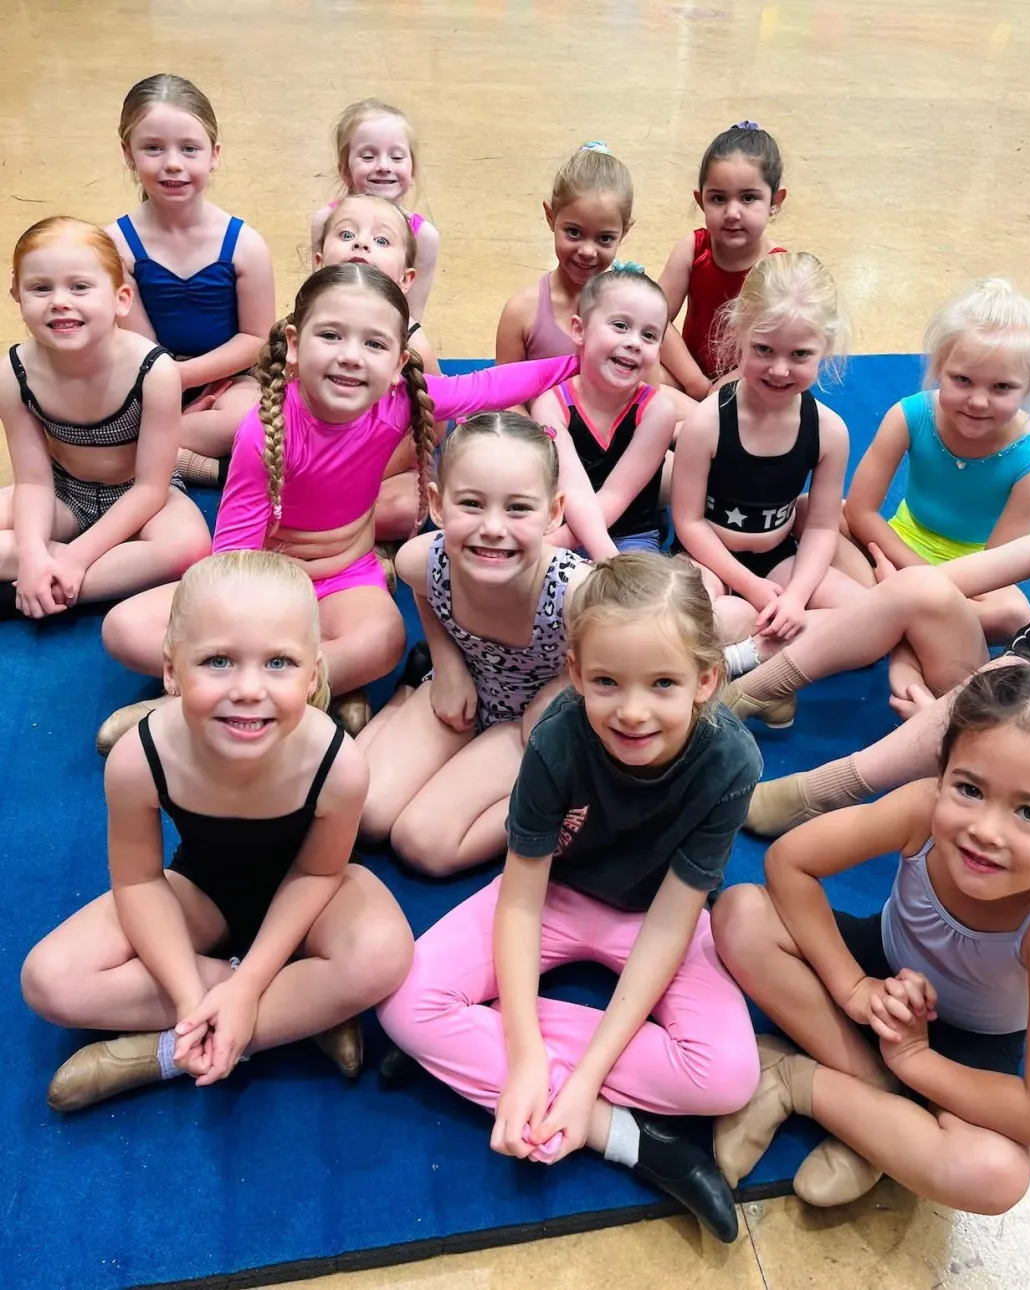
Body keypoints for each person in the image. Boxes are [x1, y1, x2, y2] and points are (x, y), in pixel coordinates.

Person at [377, 553, 763, 1243]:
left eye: (663, 684)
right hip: (555, 896)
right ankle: (625, 1137)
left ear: (706, 680)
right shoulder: (558, 737)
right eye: (607, 682)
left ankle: (496, 1058)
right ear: (577, 673)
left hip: (655, 915)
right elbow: (521, 897)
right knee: (403, 1003)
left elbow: (674, 921)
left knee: (729, 1075)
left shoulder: (732, 761)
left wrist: (582, 1080)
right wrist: (524, 1056)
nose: (633, 710)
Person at [96, 264, 579, 749]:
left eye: (374, 344)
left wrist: (580, 359)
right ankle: (312, 691)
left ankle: (228, 695)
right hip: (264, 580)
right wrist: (239, 625)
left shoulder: (401, 400)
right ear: (295, 343)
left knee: (385, 640)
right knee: (124, 628)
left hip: (345, 578)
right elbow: (232, 554)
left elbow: (491, 386)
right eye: (330, 335)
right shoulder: (265, 433)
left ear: (396, 363)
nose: (351, 357)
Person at [711, 664, 1030, 1215]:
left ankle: (796, 1079)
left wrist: (918, 1060)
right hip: (881, 972)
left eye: (1029, 812)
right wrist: (853, 987)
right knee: (739, 914)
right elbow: (790, 862)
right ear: (942, 774)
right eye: (969, 789)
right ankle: (878, 1110)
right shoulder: (921, 808)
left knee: (994, 1175)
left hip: (972, 1042)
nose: (986, 831)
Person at [20, 551, 413, 1112]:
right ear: (170, 669)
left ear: (314, 674)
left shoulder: (337, 763)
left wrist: (250, 986)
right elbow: (139, 884)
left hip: (311, 896)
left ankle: (161, 1055)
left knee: (383, 954)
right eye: (218, 661)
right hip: (200, 890)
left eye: (278, 662)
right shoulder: (139, 757)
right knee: (50, 979)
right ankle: (296, 1016)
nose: (248, 689)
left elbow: (318, 871)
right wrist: (190, 993)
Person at [742, 413, 1030, 836]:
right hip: (994, 690)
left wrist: (962, 734)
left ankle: (821, 791)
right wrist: (908, 664)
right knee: (922, 588)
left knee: (1001, 679)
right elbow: (914, 593)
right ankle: (752, 692)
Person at [356, 412, 589, 875]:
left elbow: (620, 655)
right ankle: (406, 698)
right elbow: (422, 592)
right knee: (365, 815)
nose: (493, 528)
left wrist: (563, 689)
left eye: (519, 508)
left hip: (531, 720)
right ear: (439, 506)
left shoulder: (575, 592)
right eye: (472, 504)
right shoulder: (423, 560)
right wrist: (448, 666)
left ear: (554, 512)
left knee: (422, 843)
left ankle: (575, 806)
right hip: (463, 688)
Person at [843, 279, 1030, 700]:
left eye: (1001, 388)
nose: (978, 401)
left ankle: (882, 619)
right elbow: (862, 513)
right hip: (894, 544)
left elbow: (1003, 567)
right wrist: (911, 572)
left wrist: (908, 582)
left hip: (974, 579)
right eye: (962, 380)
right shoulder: (910, 415)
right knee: (815, 509)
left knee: (1014, 613)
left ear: (1028, 388)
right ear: (938, 371)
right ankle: (906, 621)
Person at [0, 217, 210, 620]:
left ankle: (38, 588)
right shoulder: (14, 371)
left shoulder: (154, 370)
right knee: (28, 544)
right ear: (17, 295)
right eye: (41, 288)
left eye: (79, 286)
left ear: (121, 299)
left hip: (140, 496)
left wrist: (76, 557)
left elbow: (152, 488)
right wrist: (30, 553)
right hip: (63, 492)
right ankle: (45, 577)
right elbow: (32, 480)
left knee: (189, 547)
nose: (59, 301)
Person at [671, 252, 862, 688]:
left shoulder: (829, 431)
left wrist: (795, 597)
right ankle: (761, 652)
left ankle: (750, 651)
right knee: (692, 619)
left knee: (867, 615)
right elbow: (688, 521)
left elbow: (820, 529)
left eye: (799, 354)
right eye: (763, 349)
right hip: (708, 561)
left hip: (780, 562)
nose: (779, 369)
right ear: (738, 334)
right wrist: (750, 587)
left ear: (825, 348)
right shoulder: (708, 421)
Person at [107, 74, 274, 486]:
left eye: (189, 149)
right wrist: (164, 386)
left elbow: (256, 341)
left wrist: (183, 379)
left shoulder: (244, 244)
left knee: (244, 420)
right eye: (152, 148)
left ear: (214, 155)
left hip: (231, 378)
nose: (173, 164)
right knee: (84, 409)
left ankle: (148, 453)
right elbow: (138, 346)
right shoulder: (116, 244)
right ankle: (201, 465)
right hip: (145, 375)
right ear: (128, 153)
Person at [313, 193, 447, 553]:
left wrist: (368, 469)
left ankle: (332, 539)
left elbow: (434, 427)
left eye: (381, 240)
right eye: (345, 235)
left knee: (409, 507)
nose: (361, 243)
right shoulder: (304, 331)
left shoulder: (414, 346)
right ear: (319, 261)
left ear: (407, 278)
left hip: (384, 470)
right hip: (311, 464)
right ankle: (345, 540)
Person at [530, 265, 676, 560]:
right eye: (620, 326)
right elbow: (574, 490)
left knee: (629, 600)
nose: (634, 342)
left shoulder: (657, 411)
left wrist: (612, 567)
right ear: (579, 330)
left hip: (631, 538)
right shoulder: (551, 405)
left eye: (649, 335)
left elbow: (615, 495)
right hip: (562, 528)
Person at [657, 122, 787, 398]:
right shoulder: (694, 248)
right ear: (701, 200)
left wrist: (724, 386)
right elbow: (655, 319)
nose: (732, 213)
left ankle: (694, 427)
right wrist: (694, 381)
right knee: (640, 375)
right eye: (718, 198)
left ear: (775, 201)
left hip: (750, 383)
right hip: (688, 377)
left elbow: (776, 351)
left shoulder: (778, 270)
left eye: (748, 198)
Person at [496, 142, 632, 367]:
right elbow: (506, 395)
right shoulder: (521, 312)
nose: (588, 251)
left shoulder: (633, 308)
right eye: (574, 232)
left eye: (604, 238)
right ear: (550, 217)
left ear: (624, 231)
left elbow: (647, 387)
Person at [310, 98, 439, 321]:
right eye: (368, 157)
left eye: (397, 157)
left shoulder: (424, 237)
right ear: (345, 170)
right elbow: (318, 296)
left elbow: (412, 318)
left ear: (413, 169)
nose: (383, 166)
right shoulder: (325, 221)